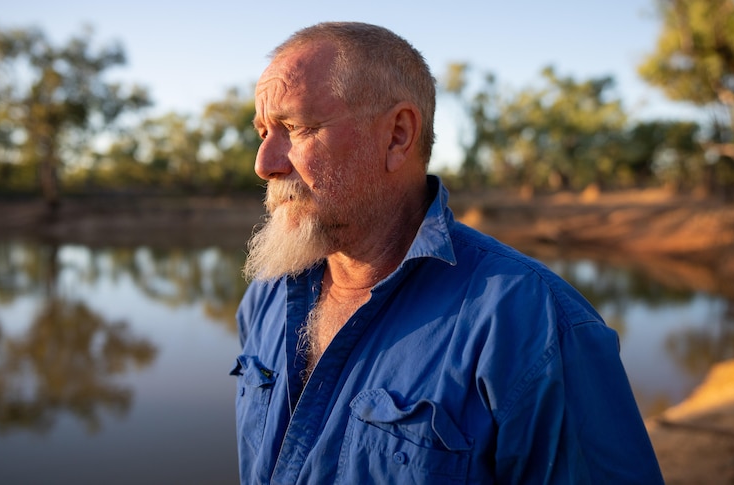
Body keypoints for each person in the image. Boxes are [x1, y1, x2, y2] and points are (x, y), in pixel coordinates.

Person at [232, 21, 664, 484]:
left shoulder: (534, 323)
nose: (264, 164)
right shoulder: (266, 298)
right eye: (263, 133)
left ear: (398, 135)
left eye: (295, 128)